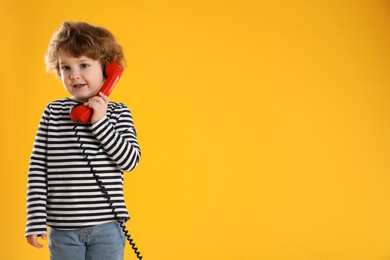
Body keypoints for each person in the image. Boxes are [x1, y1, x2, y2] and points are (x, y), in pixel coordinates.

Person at [25, 21, 141, 260]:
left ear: (109, 71)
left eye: (84, 65)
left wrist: (100, 122)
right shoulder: (53, 113)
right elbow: (38, 168)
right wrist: (35, 219)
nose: (74, 75)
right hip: (63, 229)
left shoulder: (118, 113)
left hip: (107, 227)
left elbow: (130, 161)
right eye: (65, 68)